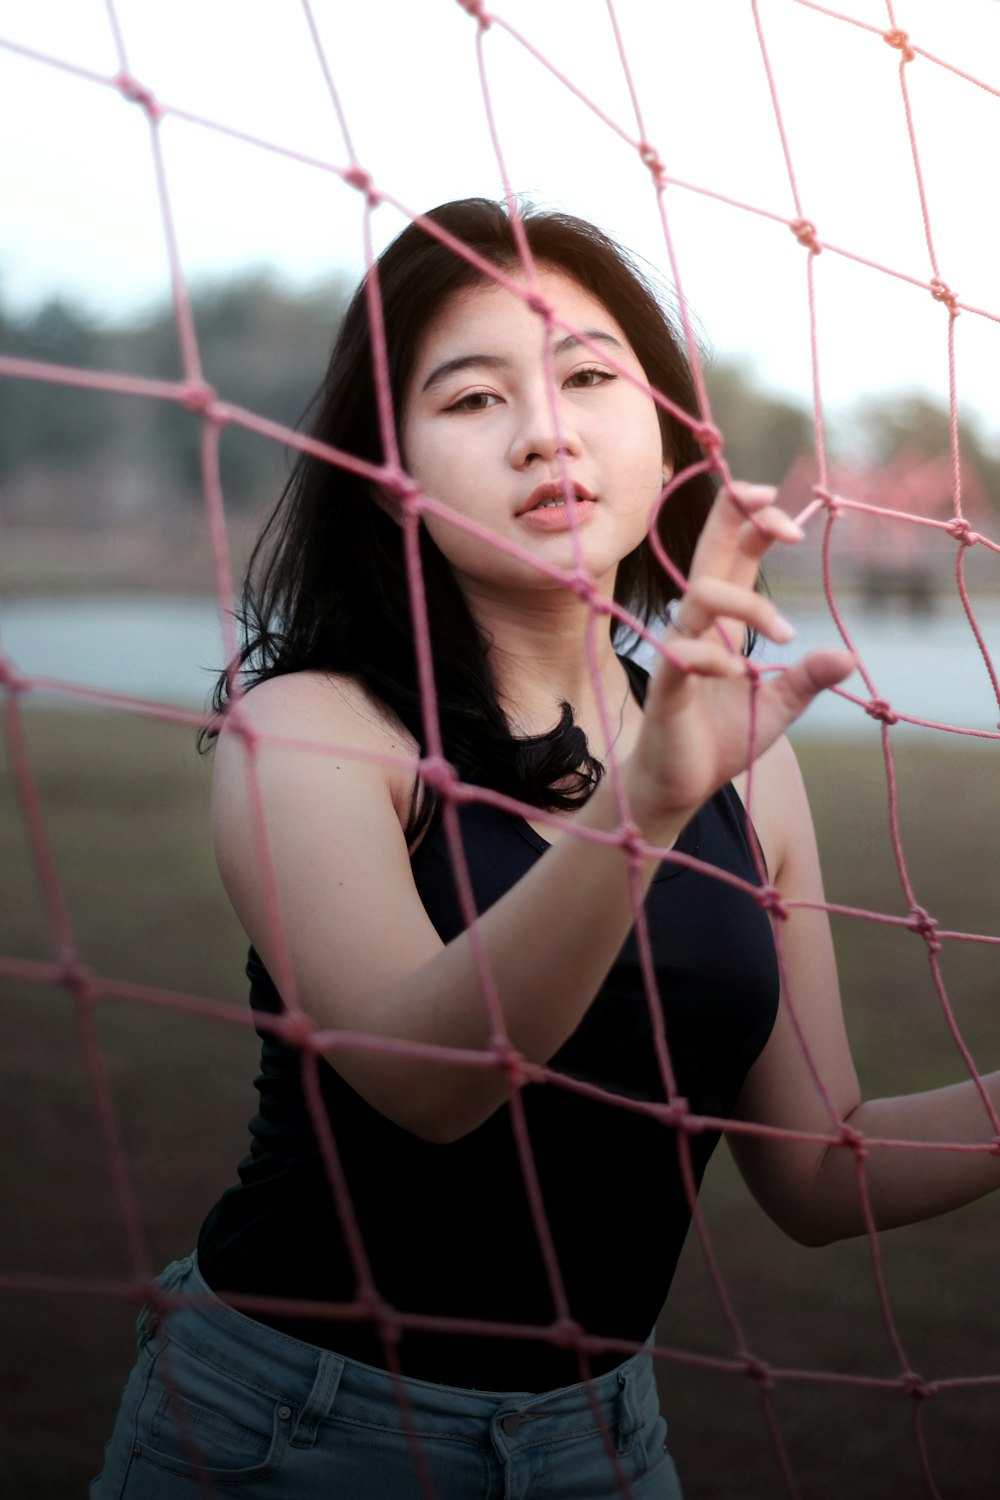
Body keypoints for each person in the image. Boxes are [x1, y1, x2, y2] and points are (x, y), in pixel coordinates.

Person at [91, 198, 999, 1500]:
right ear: (388, 459)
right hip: (294, 1422)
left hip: (599, 1438)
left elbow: (816, 1167)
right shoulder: (315, 730)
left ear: (663, 430)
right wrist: (647, 806)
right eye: (471, 398)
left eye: (586, 376)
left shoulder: (748, 757)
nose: (547, 431)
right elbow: (439, 1085)